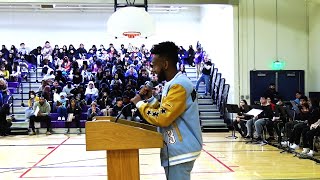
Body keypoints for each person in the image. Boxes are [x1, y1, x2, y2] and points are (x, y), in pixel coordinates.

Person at [131, 41, 203, 180]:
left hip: (181, 149)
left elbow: (163, 118)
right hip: (177, 149)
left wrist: (140, 104)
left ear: (165, 64)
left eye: (154, 65)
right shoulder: (174, 83)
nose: (152, 70)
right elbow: (168, 111)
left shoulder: (179, 85)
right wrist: (151, 100)